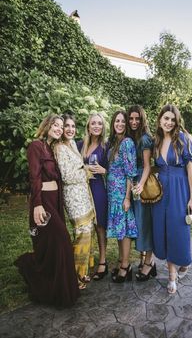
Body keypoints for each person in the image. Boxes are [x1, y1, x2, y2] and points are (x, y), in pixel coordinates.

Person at [14, 114, 79, 307]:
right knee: (62, 242)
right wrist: (37, 204)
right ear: (47, 125)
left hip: (55, 201)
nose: (59, 128)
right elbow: (34, 177)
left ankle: (59, 288)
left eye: (61, 126)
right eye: (56, 125)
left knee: (53, 246)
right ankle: (47, 284)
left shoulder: (52, 148)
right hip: (44, 202)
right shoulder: (35, 146)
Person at [152, 104, 192, 294]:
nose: (169, 122)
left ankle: (185, 261)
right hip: (160, 191)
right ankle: (171, 275)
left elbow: (190, 168)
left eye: (172, 119)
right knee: (163, 229)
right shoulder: (156, 140)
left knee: (178, 229)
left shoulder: (183, 139)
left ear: (176, 121)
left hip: (179, 188)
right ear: (160, 119)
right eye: (166, 118)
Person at [54, 113, 96, 290]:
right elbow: (67, 175)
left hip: (83, 195)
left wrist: (83, 169)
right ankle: (74, 275)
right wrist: (86, 170)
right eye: (67, 126)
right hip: (73, 197)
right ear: (61, 129)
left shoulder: (71, 144)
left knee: (89, 231)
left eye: (72, 126)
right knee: (82, 233)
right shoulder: (59, 148)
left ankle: (83, 270)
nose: (70, 129)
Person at [107, 110, 138, 283]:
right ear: (113, 123)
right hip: (112, 194)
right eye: (117, 121)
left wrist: (127, 197)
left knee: (124, 230)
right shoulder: (114, 143)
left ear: (126, 125)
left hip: (121, 195)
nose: (119, 124)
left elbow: (130, 173)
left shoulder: (127, 143)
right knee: (119, 230)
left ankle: (126, 266)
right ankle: (121, 261)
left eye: (122, 122)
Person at [77, 113, 108, 281]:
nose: (96, 126)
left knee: (99, 226)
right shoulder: (79, 145)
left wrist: (105, 170)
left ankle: (103, 260)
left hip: (97, 188)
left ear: (103, 127)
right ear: (88, 126)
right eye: (93, 123)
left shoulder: (105, 146)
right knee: (84, 227)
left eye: (100, 124)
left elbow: (115, 170)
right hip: (82, 190)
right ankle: (85, 261)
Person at [127, 105, 156, 281]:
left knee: (144, 223)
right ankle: (143, 260)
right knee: (137, 224)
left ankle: (148, 263)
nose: (134, 122)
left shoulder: (144, 139)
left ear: (142, 119)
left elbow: (147, 165)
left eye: (137, 118)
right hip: (131, 181)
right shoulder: (131, 137)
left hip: (141, 183)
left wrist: (140, 184)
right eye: (131, 118)